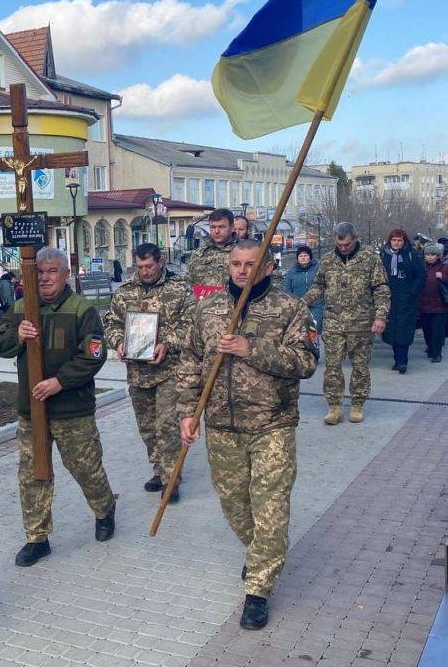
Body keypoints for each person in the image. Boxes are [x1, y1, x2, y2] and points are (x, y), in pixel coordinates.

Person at [177, 240, 319, 630]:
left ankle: (258, 589)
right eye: (236, 263)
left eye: (250, 264)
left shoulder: (290, 309)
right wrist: (187, 414)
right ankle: (261, 553)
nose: (242, 270)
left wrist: (249, 347)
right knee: (236, 507)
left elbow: (306, 362)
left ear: (268, 268)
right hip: (222, 427)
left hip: (272, 425)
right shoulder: (207, 310)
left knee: (271, 508)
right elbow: (190, 362)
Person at [0, 247, 116, 568]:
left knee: (86, 469)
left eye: (52, 272)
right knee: (33, 476)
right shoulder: (20, 308)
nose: (45, 278)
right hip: (31, 412)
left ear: (66, 275)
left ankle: (104, 510)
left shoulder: (82, 310)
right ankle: (37, 537)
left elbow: (93, 355)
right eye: (39, 273)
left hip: (72, 409)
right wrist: (17, 335)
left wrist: (59, 382)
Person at [103, 243, 193, 500]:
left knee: (166, 426)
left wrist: (167, 344)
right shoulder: (124, 292)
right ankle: (159, 468)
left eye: (149, 266)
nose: (145, 271)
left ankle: (171, 479)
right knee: (147, 427)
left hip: (170, 371)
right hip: (138, 373)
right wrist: (119, 342)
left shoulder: (179, 288)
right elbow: (111, 323)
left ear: (160, 262)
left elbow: (190, 325)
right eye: (140, 267)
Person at [303, 222, 389, 425]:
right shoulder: (327, 261)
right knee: (332, 367)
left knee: (360, 367)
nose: (343, 248)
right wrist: (301, 303)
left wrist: (381, 317)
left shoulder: (370, 258)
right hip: (333, 323)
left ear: (356, 238)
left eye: (347, 245)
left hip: (362, 323)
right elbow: (318, 287)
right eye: (340, 245)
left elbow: (381, 289)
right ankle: (334, 406)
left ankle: (357, 404)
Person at [379, 230, 426, 374]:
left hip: (407, 299)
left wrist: (413, 292)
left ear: (404, 241)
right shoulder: (383, 255)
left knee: (404, 329)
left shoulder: (411, 255)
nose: (396, 243)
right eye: (394, 240)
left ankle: (402, 361)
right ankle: (397, 358)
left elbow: (421, 275)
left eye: (399, 240)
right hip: (389, 298)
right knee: (392, 329)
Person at [419, 244, 448, 363]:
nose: (430, 257)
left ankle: (437, 353)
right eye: (427, 255)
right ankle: (431, 348)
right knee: (427, 330)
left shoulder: (445, 267)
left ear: (438, 256)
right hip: (424, 305)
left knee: (437, 330)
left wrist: (443, 277)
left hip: (440, 306)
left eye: (432, 255)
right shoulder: (421, 268)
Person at [186, 208, 238, 296]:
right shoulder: (199, 253)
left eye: (221, 227)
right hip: (203, 307)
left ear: (232, 227)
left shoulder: (243, 252)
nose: (216, 231)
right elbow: (189, 283)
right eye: (213, 227)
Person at [281, 245, 323, 332]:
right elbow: (287, 289)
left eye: (305, 255)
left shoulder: (318, 269)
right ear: (297, 258)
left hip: (317, 306)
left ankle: (316, 345)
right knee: (300, 331)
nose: (303, 258)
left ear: (310, 257)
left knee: (314, 331)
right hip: (299, 306)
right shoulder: (292, 272)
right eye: (300, 256)